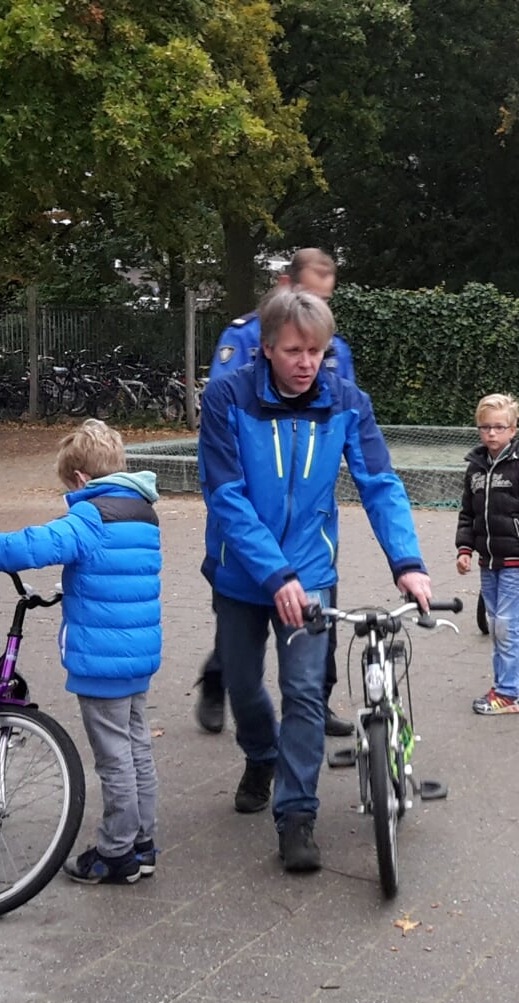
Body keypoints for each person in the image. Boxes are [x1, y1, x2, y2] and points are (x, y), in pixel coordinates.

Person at [199, 287, 432, 873]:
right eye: (294, 350)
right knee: (246, 685)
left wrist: (407, 563)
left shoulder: (346, 401)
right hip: (241, 575)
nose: (307, 363)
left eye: (317, 352)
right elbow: (226, 496)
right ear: (267, 349)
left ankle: (297, 816)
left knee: (304, 692)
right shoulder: (228, 398)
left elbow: (380, 484)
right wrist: (272, 573)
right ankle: (260, 754)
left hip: (312, 573)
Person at [0, 420, 164, 884]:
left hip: (101, 658)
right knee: (136, 751)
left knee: (114, 758)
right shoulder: (142, 512)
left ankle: (115, 852)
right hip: (137, 654)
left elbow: (36, 544)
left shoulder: (93, 515)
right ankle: (143, 843)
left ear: (79, 479)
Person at [195, 248, 355, 743]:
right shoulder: (245, 335)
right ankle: (223, 680)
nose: (309, 358)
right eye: (308, 295)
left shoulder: (334, 348)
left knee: (311, 651)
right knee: (243, 650)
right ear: (287, 285)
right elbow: (228, 420)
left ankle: (313, 703)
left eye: (324, 301)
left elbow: (342, 412)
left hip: (308, 538)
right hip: (248, 527)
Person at [456, 393, 519, 715]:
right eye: (485, 427)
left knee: (507, 627)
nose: (491, 434)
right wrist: (465, 548)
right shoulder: (476, 468)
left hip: (516, 560)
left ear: (513, 429)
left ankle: (510, 694)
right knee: (496, 624)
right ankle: (501, 687)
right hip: (489, 560)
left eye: (499, 427)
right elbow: (467, 512)